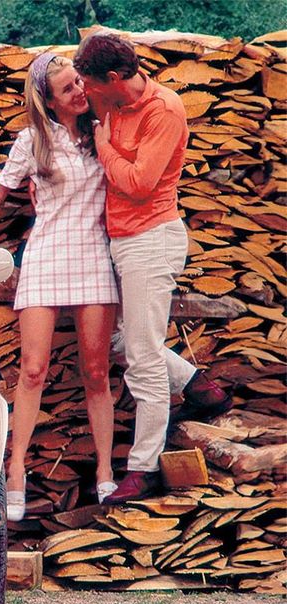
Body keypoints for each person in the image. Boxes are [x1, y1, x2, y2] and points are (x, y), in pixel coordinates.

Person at [0, 52, 119, 521]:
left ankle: (106, 471)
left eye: (79, 82)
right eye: (68, 88)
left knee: (96, 371)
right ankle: (16, 468)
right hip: (45, 258)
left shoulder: (103, 130)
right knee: (33, 369)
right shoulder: (32, 140)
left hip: (94, 259)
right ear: (48, 100)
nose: (79, 92)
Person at [74, 31, 230, 504]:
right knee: (121, 340)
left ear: (114, 77)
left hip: (150, 239)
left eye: (90, 84)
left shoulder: (163, 110)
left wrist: (103, 146)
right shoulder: (112, 101)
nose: (85, 92)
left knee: (142, 357)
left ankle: (143, 469)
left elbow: (140, 183)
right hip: (121, 239)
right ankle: (199, 387)